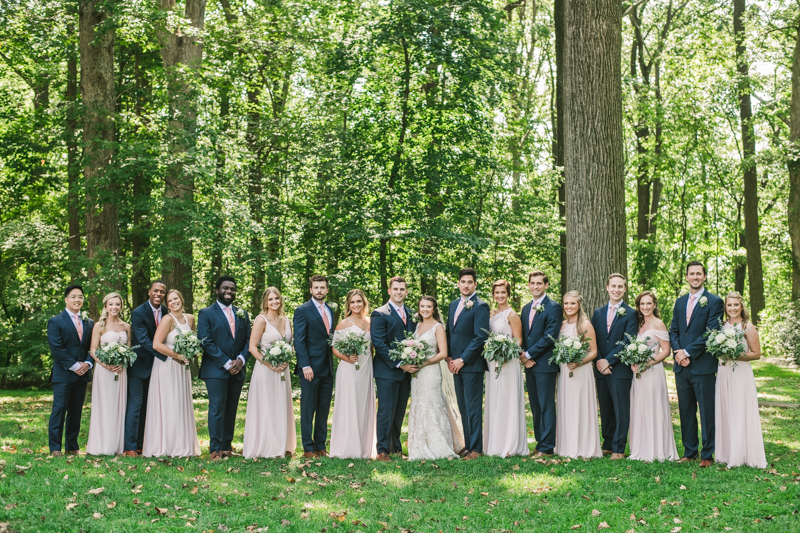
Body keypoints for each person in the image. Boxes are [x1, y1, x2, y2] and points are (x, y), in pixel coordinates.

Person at [669, 261, 724, 467]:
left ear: (704, 277)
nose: (695, 277)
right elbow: (673, 330)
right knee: (686, 409)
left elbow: (711, 333)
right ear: (686, 277)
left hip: (703, 366)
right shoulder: (680, 301)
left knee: (706, 410)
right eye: (691, 273)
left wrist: (688, 351)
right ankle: (689, 451)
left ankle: (707, 454)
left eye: (698, 274)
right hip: (681, 366)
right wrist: (678, 353)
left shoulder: (714, 301)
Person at [198, 276, 251, 460]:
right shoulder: (206, 313)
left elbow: (248, 340)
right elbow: (206, 341)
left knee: (231, 409)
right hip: (215, 370)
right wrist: (227, 363)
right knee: (217, 409)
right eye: (225, 288)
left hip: (238, 369)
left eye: (232, 289)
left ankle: (227, 446)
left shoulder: (242, 313)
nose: (229, 291)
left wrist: (241, 360)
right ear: (217, 290)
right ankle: (215, 449)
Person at [143, 289, 200, 457]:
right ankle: (167, 446)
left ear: (182, 299)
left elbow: (193, 340)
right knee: (170, 403)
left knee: (181, 403)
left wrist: (191, 353)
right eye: (170, 300)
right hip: (168, 366)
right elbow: (156, 344)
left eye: (176, 298)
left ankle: (183, 445)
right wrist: (177, 356)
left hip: (183, 368)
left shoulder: (190, 319)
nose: (174, 302)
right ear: (167, 305)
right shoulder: (168, 319)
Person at [715, 292, 767, 469]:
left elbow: (756, 353)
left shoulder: (748, 327)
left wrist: (735, 355)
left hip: (740, 373)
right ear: (725, 308)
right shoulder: (721, 325)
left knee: (739, 409)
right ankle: (726, 452)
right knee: (726, 408)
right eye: (729, 305)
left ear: (742, 306)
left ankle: (741, 453)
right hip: (724, 372)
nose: (733, 308)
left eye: (736, 305)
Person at [407, 296, 464, 460]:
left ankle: (438, 445)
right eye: (422, 306)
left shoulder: (438, 327)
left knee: (432, 404)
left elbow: (443, 353)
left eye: (428, 307)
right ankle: (419, 444)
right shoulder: (417, 325)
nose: (425, 309)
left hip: (431, 371)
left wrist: (424, 362)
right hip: (417, 374)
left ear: (434, 309)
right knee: (418, 404)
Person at [243, 287, 296, 459]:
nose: (274, 302)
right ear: (265, 302)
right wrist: (269, 364)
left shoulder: (286, 320)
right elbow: (252, 347)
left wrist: (287, 358)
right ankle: (267, 446)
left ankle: (282, 446)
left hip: (283, 370)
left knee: (281, 405)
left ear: (280, 300)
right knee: (267, 405)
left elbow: (292, 344)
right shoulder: (261, 320)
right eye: (270, 299)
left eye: (277, 299)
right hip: (265, 370)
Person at [590, 273, 638, 459]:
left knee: (620, 409)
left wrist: (608, 360)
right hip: (601, 368)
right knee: (606, 408)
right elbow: (592, 340)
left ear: (624, 289)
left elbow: (628, 341)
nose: (617, 289)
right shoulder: (598, 313)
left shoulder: (631, 313)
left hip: (619, 369)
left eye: (620, 286)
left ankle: (619, 448)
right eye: (613, 286)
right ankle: (608, 444)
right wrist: (600, 361)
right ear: (607, 288)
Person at [628, 291, 679, 462]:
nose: (645, 307)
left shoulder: (658, 324)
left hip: (653, 371)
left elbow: (666, 350)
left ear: (654, 305)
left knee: (653, 407)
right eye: (642, 304)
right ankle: (640, 448)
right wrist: (633, 362)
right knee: (640, 407)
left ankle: (656, 449)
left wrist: (648, 363)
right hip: (638, 373)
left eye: (649, 304)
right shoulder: (638, 323)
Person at [446, 268, 490, 460]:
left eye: (470, 282)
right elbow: (450, 332)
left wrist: (462, 359)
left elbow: (480, 336)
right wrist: (449, 357)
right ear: (458, 283)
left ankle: (476, 449)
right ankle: (468, 445)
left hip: (471, 365)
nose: (466, 285)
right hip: (454, 364)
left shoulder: (481, 306)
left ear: (475, 284)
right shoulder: (453, 304)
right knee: (463, 407)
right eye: (463, 281)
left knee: (473, 407)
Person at [370, 276, 416, 461]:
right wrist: (399, 363)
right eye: (395, 289)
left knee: (399, 411)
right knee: (386, 411)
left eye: (402, 289)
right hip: (387, 371)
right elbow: (379, 344)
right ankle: (382, 450)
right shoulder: (379, 313)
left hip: (406, 372)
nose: (399, 292)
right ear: (389, 291)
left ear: (406, 291)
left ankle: (395, 447)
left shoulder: (413, 313)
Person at [47, 285, 94, 456]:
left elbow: (92, 347)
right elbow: (57, 348)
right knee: (59, 410)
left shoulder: (90, 323)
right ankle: (54, 448)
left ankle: (72, 446)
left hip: (82, 374)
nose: (77, 300)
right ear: (66, 299)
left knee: (76, 411)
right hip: (64, 374)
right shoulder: (56, 321)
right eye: (73, 296)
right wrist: (75, 366)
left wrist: (88, 364)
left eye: (80, 297)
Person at [330, 289, 377, 459]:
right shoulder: (344, 323)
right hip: (349, 369)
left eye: (359, 301)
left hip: (366, 367)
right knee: (349, 405)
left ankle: (365, 448)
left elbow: (373, 347)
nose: (356, 305)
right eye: (353, 302)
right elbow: (334, 347)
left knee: (364, 405)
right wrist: (347, 357)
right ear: (348, 305)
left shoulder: (372, 321)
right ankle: (347, 447)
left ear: (364, 303)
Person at [483, 279, 528, 457]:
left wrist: (505, 351)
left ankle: (510, 444)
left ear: (508, 294)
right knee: (495, 400)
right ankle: (494, 443)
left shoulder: (512, 315)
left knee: (507, 400)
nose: (500, 295)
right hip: (492, 362)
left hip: (508, 362)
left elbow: (518, 340)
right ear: (493, 294)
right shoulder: (490, 314)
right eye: (497, 293)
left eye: (503, 292)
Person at [520, 271, 562, 458]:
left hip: (545, 365)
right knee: (535, 406)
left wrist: (529, 354)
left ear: (546, 285)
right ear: (528, 285)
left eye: (539, 283)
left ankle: (548, 447)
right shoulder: (525, 308)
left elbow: (550, 337)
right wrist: (524, 356)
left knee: (546, 405)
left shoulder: (554, 307)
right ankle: (539, 443)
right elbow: (524, 335)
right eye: (532, 283)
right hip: (529, 365)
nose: (535, 286)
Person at [554, 291, 601, 459]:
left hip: (581, 370)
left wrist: (578, 362)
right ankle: (567, 446)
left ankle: (584, 446)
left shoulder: (585, 324)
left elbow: (594, 352)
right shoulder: (561, 325)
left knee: (580, 405)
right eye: (566, 304)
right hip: (565, 371)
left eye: (572, 303)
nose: (569, 307)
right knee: (566, 406)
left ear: (579, 305)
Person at [293, 275, 336, 458]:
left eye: (322, 287)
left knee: (324, 408)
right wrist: (305, 365)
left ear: (327, 290)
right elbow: (299, 340)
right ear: (311, 290)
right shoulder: (302, 310)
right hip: (309, 368)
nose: (319, 290)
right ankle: (308, 448)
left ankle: (320, 445)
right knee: (308, 409)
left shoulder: (331, 311)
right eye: (316, 287)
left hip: (327, 367)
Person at [86, 292, 131, 456]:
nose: (114, 307)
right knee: (104, 406)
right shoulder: (99, 326)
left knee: (119, 407)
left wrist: (122, 362)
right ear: (105, 306)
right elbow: (93, 350)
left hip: (121, 371)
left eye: (117, 304)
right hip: (104, 372)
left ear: (121, 306)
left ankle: (116, 446)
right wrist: (106, 365)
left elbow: (129, 349)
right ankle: (101, 446)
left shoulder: (126, 327)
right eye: (111, 304)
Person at [126, 281, 167, 456]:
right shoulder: (138, 313)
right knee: (136, 406)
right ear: (149, 292)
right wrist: (167, 355)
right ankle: (129, 446)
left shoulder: (167, 312)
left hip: (160, 369)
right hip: (140, 365)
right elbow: (143, 340)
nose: (158, 293)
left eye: (162, 291)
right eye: (155, 290)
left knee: (150, 407)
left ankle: (143, 444)